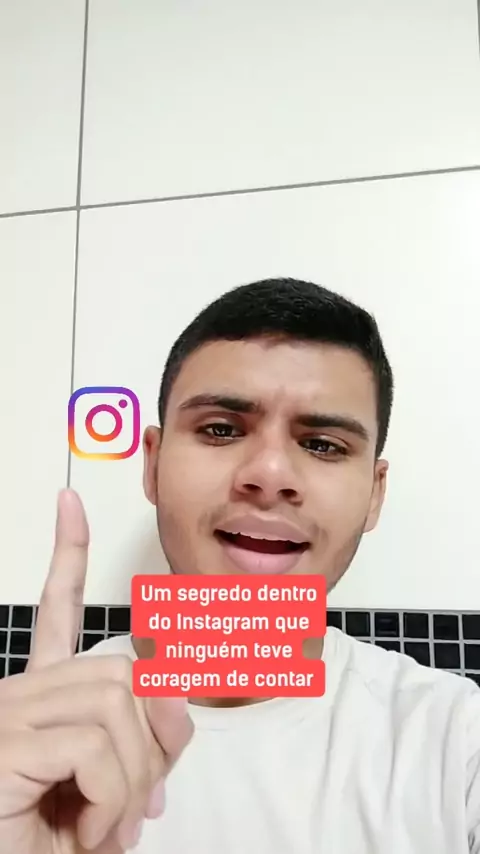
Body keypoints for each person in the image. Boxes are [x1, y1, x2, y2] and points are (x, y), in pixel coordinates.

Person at [1, 277, 479, 854]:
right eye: (221, 430)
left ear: (375, 494)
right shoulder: (21, 753)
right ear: (152, 465)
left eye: (323, 444)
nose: (270, 475)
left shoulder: (457, 741)